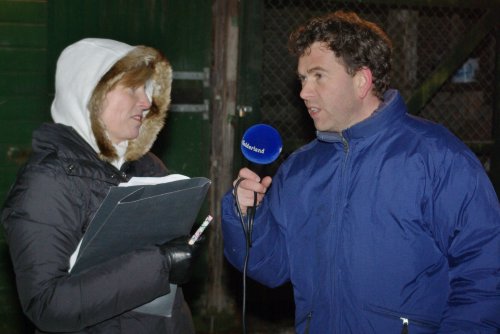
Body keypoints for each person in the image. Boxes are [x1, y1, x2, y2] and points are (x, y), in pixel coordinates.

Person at [222, 11, 500, 333]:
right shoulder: (299, 170)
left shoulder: (437, 158)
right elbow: (271, 267)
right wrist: (246, 217)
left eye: (318, 76)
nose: (303, 92)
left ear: (362, 81)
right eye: (302, 79)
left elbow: (485, 273)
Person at [1, 38, 200, 333]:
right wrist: (158, 264)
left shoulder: (148, 166)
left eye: (147, 88)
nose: (146, 102)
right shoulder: (46, 183)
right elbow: (46, 304)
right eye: (132, 88)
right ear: (90, 94)